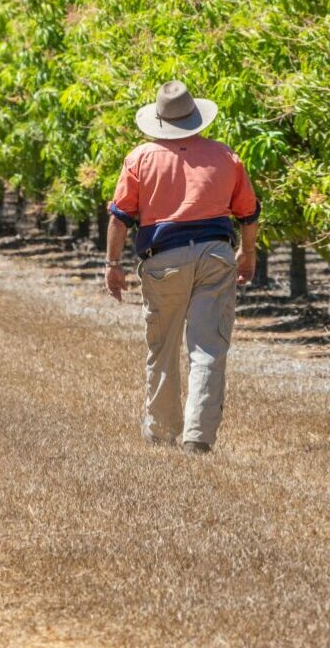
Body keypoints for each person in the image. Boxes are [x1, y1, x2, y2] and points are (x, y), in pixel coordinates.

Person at [103, 81, 260, 454]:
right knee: (208, 347)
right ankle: (198, 437)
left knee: (163, 347)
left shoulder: (140, 158)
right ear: (195, 118)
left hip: (164, 260)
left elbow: (120, 218)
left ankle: (161, 430)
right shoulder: (225, 157)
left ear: (159, 121)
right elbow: (249, 214)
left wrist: (112, 264)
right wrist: (248, 254)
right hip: (215, 254)